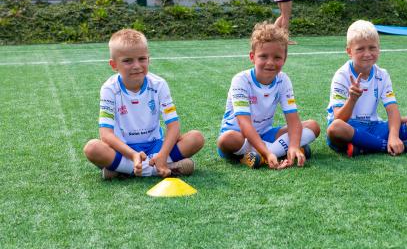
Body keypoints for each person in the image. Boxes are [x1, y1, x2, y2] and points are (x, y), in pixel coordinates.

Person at [83, 29, 205, 180]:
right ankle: (161, 169)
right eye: (128, 61)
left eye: (142, 59)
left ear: (149, 59)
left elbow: (174, 126)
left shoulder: (159, 85)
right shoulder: (109, 89)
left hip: (155, 147)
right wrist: (133, 155)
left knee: (196, 138)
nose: (136, 65)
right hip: (124, 150)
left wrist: (163, 154)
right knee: (92, 148)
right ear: (114, 65)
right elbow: (106, 134)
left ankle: (125, 170)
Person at [216, 22, 320, 170]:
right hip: (239, 136)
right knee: (227, 139)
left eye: (277, 57)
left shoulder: (283, 80)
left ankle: (263, 156)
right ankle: (274, 152)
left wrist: (294, 145)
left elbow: (293, 119)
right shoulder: (241, 80)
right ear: (252, 57)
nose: (270, 62)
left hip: (265, 134)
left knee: (312, 126)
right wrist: (268, 152)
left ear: (284, 59)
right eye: (263, 56)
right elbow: (244, 124)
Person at [326, 20, 407, 157]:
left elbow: (392, 109)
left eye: (372, 48)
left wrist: (393, 136)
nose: (367, 53)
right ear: (349, 51)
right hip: (349, 128)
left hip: (373, 126)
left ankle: (366, 147)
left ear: (378, 49)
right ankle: (390, 146)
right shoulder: (342, 75)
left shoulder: (382, 75)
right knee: (335, 128)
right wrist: (352, 99)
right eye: (360, 49)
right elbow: (339, 118)